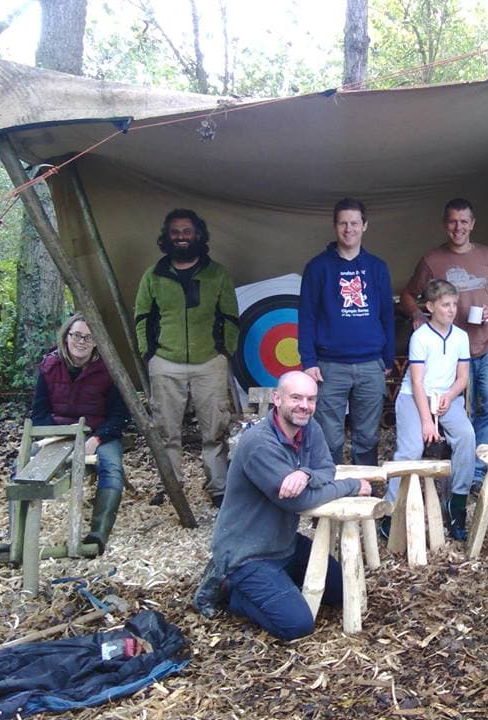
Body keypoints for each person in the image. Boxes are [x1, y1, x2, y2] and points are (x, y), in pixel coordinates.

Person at [196, 371, 371, 639]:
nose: (304, 405)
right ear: (277, 399)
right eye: (296, 397)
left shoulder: (309, 428)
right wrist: (353, 485)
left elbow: (326, 468)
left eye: (311, 399)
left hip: (284, 544)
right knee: (296, 625)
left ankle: (276, 586)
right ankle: (229, 589)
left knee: (341, 592)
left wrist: (305, 474)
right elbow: (298, 502)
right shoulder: (259, 443)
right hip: (248, 554)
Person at [401, 199, 488, 491]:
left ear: (472, 224)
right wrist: (417, 317)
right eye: (452, 221)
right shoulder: (432, 259)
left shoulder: (487, 254)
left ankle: (475, 469)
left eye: (464, 221)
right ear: (444, 224)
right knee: (463, 412)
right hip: (451, 352)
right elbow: (409, 295)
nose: (458, 227)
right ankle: (461, 470)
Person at [135, 208, 239, 509]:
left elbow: (231, 316)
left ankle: (218, 487)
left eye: (187, 231)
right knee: (167, 431)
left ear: (198, 236)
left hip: (210, 363)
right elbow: (142, 316)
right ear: (167, 237)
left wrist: (224, 352)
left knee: (215, 429)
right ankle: (171, 486)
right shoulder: (153, 276)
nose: (181, 237)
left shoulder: (216, 273)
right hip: (165, 363)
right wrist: (149, 353)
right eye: (176, 232)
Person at [297, 197, 395, 466]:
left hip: (370, 364)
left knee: (367, 437)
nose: (348, 229)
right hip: (330, 366)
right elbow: (306, 316)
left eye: (354, 223)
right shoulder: (318, 268)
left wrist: (387, 359)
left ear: (365, 226)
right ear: (335, 226)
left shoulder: (377, 268)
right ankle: (332, 492)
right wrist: (309, 360)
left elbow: (387, 314)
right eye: (343, 223)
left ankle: (364, 492)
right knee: (329, 438)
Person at [384, 280, 476, 541]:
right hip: (415, 397)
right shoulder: (421, 336)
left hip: (447, 397)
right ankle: (389, 511)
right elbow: (417, 382)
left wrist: (449, 396)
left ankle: (456, 504)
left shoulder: (460, 336)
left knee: (467, 437)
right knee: (411, 450)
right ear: (430, 306)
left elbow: (463, 378)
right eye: (446, 305)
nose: (451, 310)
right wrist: (426, 421)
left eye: (454, 304)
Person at [31, 313, 129, 554]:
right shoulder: (49, 366)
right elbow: (38, 413)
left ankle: (97, 535)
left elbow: (119, 415)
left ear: (96, 342)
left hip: (97, 435)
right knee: (22, 467)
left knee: (112, 467)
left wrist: (96, 439)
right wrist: (58, 436)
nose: (82, 341)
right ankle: (17, 540)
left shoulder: (108, 370)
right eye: (77, 335)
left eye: (89, 336)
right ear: (66, 337)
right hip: (58, 434)